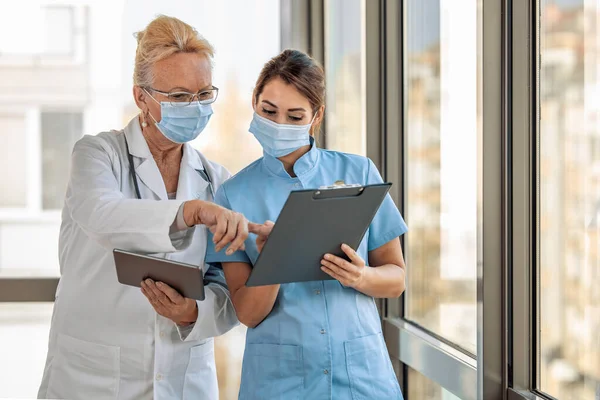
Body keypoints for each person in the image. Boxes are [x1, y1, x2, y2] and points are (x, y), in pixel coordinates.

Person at [38, 16, 253, 400]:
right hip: (94, 379)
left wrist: (192, 313)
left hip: (184, 379)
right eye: (180, 96)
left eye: (204, 95)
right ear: (141, 97)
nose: (195, 107)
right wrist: (189, 212)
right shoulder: (97, 155)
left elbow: (228, 286)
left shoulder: (216, 179)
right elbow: (102, 215)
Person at [205, 49, 408, 399]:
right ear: (254, 102)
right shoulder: (232, 195)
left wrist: (362, 276)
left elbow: (396, 279)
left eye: (295, 116)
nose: (280, 125)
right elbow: (247, 314)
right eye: (269, 111)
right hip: (280, 381)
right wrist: (275, 261)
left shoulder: (358, 173)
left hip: (360, 376)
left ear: (316, 117)